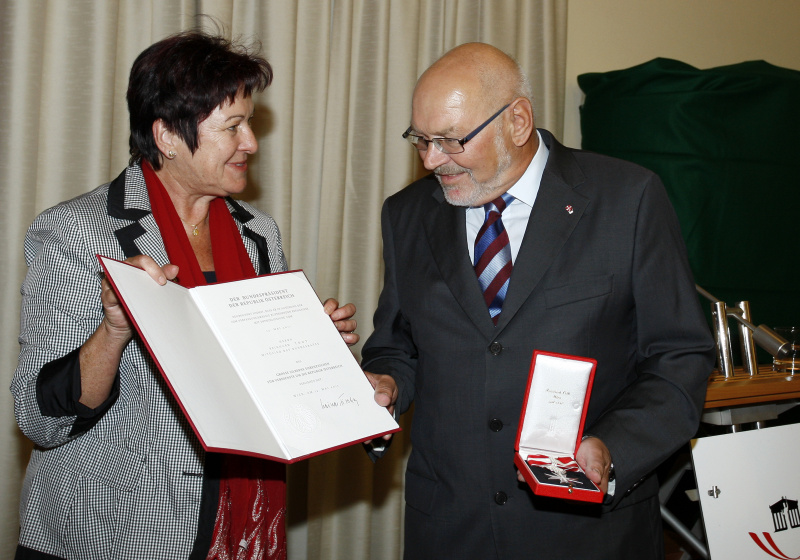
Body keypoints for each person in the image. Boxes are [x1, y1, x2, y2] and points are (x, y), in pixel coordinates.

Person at [11, 31, 358, 560]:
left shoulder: (259, 234)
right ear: (167, 136)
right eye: (233, 127)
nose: (251, 144)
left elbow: (259, 392)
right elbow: (39, 419)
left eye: (250, 124)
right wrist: (114, 330)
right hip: (112, 533)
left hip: (240, 524)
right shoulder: (73, 233)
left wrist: (312, 350)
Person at [362, 42, 716, 559]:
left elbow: (680, 357)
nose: (432, 160)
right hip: (451, 529)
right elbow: (398, 345)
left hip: (587, 532)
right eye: (421, 139)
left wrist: (612, 447)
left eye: (450, 140)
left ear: (518, 121)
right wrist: (386, 384)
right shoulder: (406, 215)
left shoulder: (628, 200)